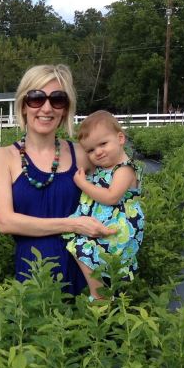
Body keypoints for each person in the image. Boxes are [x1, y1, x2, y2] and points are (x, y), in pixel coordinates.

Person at [0, 65, 114, 295]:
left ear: (65, 109)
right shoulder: (3, 157)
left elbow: (122, 180)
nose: (46, 108)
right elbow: (6, 222)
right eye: (36, 98)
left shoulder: (83, 154)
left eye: (57, 99)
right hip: (33, 278)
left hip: (84, 274)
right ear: (23, 106)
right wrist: (74, 224)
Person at [64, 110, 144, 299]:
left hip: (118, 227)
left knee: (80, 247)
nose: (97, 152)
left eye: (103, 144)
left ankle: (99, 293)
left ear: (120, 138)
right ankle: (102, 291)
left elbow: (111, 197)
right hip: (107, 223)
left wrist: (83, 184)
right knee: (81, 247)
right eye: (90, 150)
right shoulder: (106, 169)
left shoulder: (125, 169)